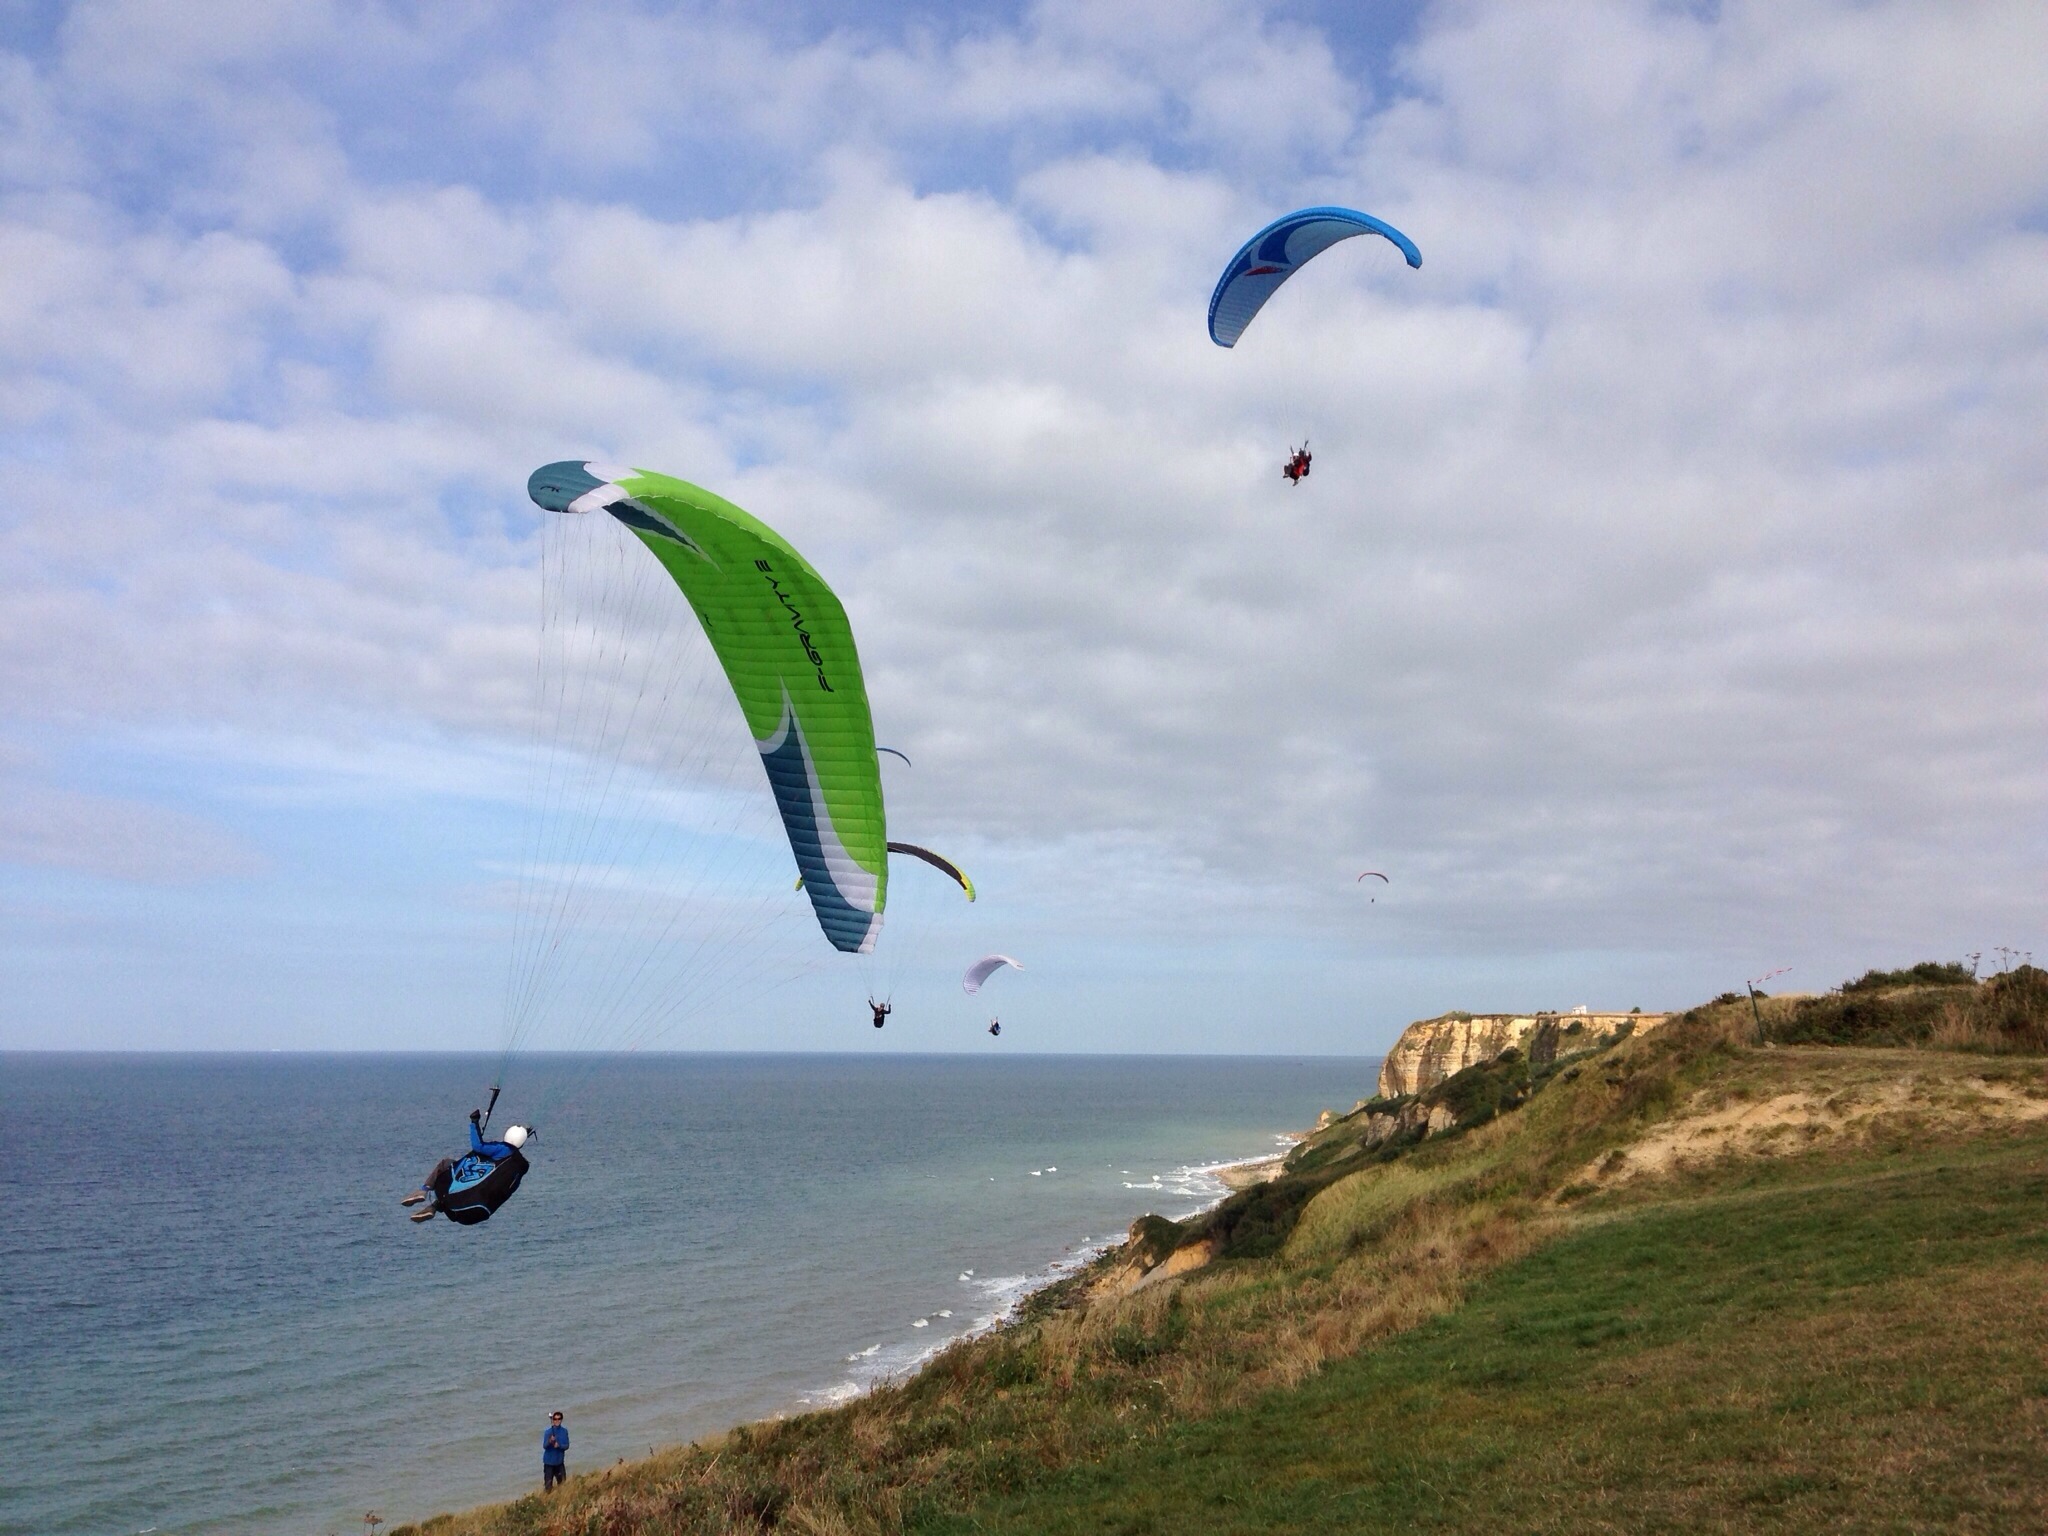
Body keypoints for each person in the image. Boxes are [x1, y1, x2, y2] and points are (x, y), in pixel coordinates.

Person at [402, 1113, 532, 1222]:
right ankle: (433, 1207)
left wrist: (474, 1122)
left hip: (458, 1202)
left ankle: (423, 1190)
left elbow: (478, 1146)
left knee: (446, 1164)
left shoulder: (502, 1149)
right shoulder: (517, 1168)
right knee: (457, 1191)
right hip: (475, 1213)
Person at [542, 1410, 569, 1491]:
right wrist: (550, 1441)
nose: (557, 1421)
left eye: (559, 1419)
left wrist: (559, 1446)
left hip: (559, 1463)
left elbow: (566, 1446)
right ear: (553, 1420)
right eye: (555, 1419)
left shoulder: (564, 1431)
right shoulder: (548, 1432)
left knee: (563, 1484)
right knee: (548, 1487)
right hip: (549, 1463)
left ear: (561, 1420)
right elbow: (544, 1446)